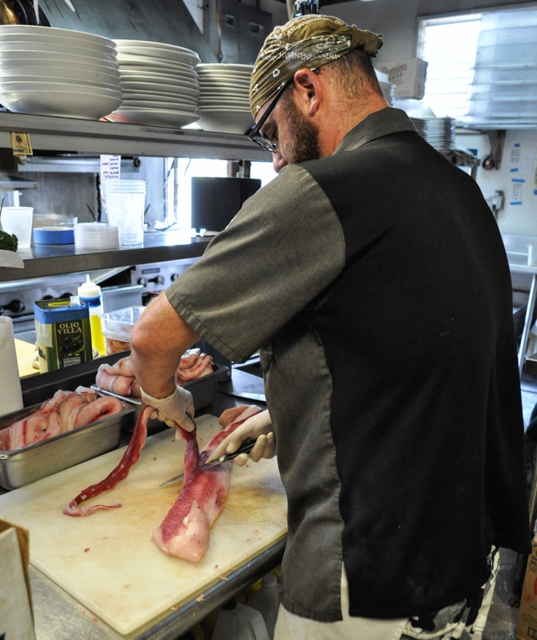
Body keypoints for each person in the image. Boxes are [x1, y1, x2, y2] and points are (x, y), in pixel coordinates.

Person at [129, 14, 531, 639]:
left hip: (368, 575)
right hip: (467, 558)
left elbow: (153, 337)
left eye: (270, 135)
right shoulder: (457, 188)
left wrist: (167, 396)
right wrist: (288, 415)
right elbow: (416, 352)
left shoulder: (324, 189)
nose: (275, 161)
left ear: (307, 90)